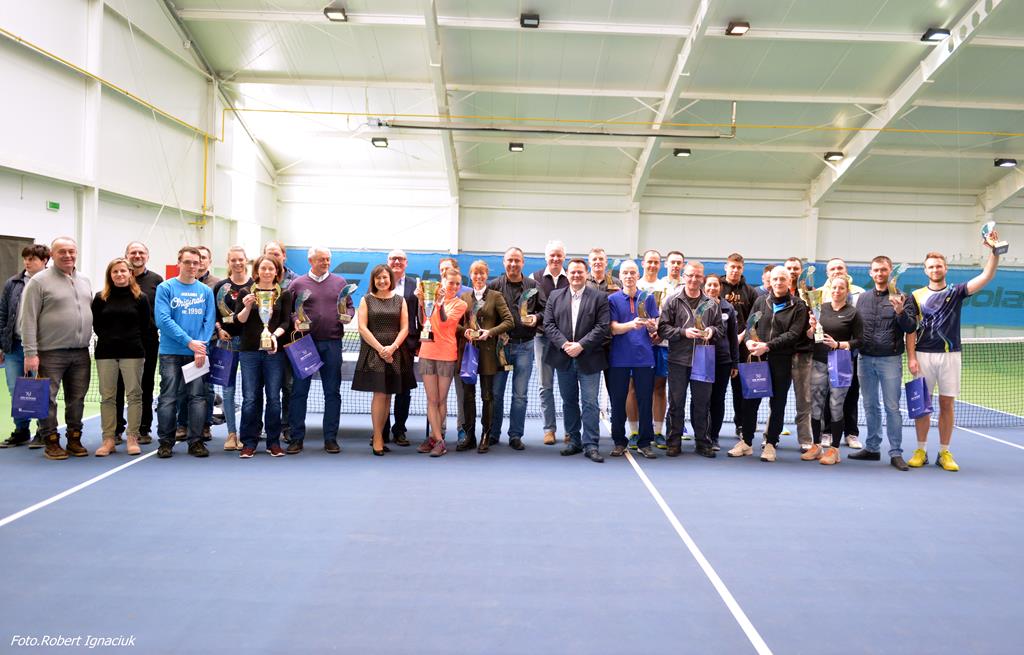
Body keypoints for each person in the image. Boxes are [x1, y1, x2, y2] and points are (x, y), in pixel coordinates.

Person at [905, 240, 1001, 472]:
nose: (935, 269)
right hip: (923, 355)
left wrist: (995, 252)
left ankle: (944, 452)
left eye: (939, 266)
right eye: (931, 266)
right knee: (922, 406)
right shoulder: (916, 296)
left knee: (947, 403)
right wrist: (911, 357)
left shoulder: (956, 292)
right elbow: (910, 330)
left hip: (951, 356)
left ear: (945, 268)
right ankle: (921, 450)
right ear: (925, 270)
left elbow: (986, 276)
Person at [18, 237, 93, 460]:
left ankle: (74, 439)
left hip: (81, 352)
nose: (67, 255)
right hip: (50, 353)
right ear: (52, 254)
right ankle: (50, 441)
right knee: (47, 399)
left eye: (71, 251)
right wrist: (30, 353)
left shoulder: (85, 280)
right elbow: (28, 320)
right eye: (62, 251)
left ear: (76, 253)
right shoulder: (38, 282)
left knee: (77, 399)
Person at [729, 266, 808, 462]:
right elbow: (750, 325)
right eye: (775, 279)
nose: (778, 282)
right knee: (750, 402)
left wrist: (768, 346)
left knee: (778, 403)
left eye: (782, 279)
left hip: (781, 360)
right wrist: (749, 341)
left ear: (789, 282)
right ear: (770, 281)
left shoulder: (798, 306)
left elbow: (793, 334)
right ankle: (746, 442)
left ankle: (771, 443)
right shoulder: (760, 301)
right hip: (757, 358)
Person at [848, 255, 916, 470]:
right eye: (876, 270)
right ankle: (872, 448)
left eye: (883, 270)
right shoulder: (862, 298)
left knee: (892, 407)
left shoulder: (904, 297)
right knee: (870, 405)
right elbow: (856, 327)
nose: (879, 273)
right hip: (865, 359)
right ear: (871, 273)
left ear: (890, 271)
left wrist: (900, 311)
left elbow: (910, 327)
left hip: (890, 359)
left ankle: (896, 452)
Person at [286, 246, 354, 454]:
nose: (326, 262)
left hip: (332, 344)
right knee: (299, 392)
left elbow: (349, 306)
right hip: (304, 344)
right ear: (310, 261)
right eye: (321, 259)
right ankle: (296, 438)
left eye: (328, 259)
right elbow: (289, 310)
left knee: (332, 392)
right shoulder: (297, 284)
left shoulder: (340, 283)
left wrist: (349, 315)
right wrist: (296, 320)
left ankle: (330, 439)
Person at [544, 258, 610, 463]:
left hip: (589, 358)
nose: (576, 275)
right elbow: (549, 324)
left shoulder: (600, 297)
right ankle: (574, 440)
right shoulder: (555, 296)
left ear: (586, 274)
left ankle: (591, 444)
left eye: (580, 272)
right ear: (568, 274)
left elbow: (602, 326)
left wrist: (581, 345)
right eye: (572, 272)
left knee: (590, 403)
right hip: (563, 358)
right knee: (569, 401)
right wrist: (565, 344)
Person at [154, 246, 215, 459]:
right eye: (187, 262)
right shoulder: (165, 288)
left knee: (197, 397)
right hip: (170, 353)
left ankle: (196, 442)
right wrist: (189, 342)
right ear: (179, 263)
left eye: (195, 263)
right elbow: (163, 320)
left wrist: (200, 347)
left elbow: (209, 322)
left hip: (197, 354)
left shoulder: (205, 291)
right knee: (168, 398)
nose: (191, 266)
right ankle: (165, 443)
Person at [658, 262, 723, 458]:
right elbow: (663, 329)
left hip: (703, 360)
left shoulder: (712, 303)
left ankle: (703, 442)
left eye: (698, 276)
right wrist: (683, 332)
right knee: (676, 403)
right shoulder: (672, 300)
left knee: (702, 403)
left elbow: (720, 329)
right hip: (678, 360)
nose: (694, 279)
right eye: (690, 275)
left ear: (702, 278)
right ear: (684, 276)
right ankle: (673, 442)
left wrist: (711, 331)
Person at [91, 258, 152, 457]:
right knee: (108, 397)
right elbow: (97, 325)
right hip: (106, 354)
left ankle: (132, 437)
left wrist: (131, 342)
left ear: (130, 273)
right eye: (115, 271)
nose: (119, 274)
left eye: (123, 271)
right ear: (110, 275)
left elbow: (145, 326)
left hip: (133, 353)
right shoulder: (100, 298)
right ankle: (108, 439)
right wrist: (111, 339)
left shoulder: (141, 298)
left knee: (134, 395)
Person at [235, 255, 292, 458]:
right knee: (250, 398)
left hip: (274, 353)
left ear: (277, 272)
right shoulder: (245, 292)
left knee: (274, 398)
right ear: (257, 271)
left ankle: (273, 442)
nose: (267, 272)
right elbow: (239, 321)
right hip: (249, 352)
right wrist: (247, 306)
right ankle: (248, 442)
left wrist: (274, 337)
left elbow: (286, 322)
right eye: (263, 268)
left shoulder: (284, 294)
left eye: (271, 269)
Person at [353, 265, 413, 455]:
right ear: (373, 280)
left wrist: (392, 348)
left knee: (388, 395)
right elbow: (362, 328)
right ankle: (378, 436)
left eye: (385, 277)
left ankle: (380, 435)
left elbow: (405, 328)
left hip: (395, 353)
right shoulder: (366, 300)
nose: (382, 281)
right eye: (378, 278)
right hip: (374, 353)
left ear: (390, 279)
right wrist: (381, 349)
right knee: (379, 394)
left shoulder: (400, 300)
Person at [803, 277, 862, 466]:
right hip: (819, 361)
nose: (837, 290)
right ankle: (816, 445)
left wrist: (838, 345)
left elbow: (860, 341)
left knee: (836, 405)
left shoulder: (853, 313)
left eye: (841, 288)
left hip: (841, 362)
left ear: (847, 290)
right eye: (834, 287)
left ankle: (834, 449)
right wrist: (812, 328)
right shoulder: (820, 309)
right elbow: (810, 336)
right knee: (816, 405)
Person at [489, 247, 544, 448]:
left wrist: (536, 318)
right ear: (504, 262)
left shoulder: (534, 286)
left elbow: (545, 310)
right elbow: (485, 314)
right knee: (496, 394)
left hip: (525, 347)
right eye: (510, 260)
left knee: (520, 395)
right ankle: (493, 433)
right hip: (500, 348)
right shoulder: (494, 286)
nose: (513, 264)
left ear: (523, 263)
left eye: (517, 260)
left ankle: (515, 436)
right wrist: (497, 331)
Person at [458, 260, 514, 453]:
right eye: (475, 273)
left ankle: (486, 436)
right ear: (470, 275)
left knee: (487, 396)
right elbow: (457, 323)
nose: (479, 277)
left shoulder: (496, 296)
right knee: (468, 395)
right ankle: (469, 436)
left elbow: (509, 321)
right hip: (469, 353)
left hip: (489, 354)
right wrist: (465, 331)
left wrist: (490, 332)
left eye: (482, 273)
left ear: (487, 274)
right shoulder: (464, 297)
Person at [606, 260, 658, 459]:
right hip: (618, 358)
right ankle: (619, 442)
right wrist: (631, 325)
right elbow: (613, 328)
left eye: (632, 272)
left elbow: (654, 327)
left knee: (645, 401)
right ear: (621, 276)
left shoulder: (648, 298)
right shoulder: (612, 299)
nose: (629, 276)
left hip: (644, 358)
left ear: (638, 275)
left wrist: (652, 326)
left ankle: (645, 443)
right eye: (625, 273)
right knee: (618, 401)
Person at [0, 244, 49, 449]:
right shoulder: (12, 283)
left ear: (44, 261)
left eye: (32, 259)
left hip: (41, 347)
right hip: (14, 346)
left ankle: (43, 431)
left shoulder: (50, 282)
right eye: (25, 259)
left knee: (40, 390)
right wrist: (2, 344)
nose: (27, 262)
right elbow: (3, 313)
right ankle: (21, 431)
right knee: (16, 390)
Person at [416, 267, 468, 457]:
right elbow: (422, 321)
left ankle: (436, 439)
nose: (454, 286)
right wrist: (421, 301)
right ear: (442, 282)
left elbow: (445, 322)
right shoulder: (429, 299)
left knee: (441, 400)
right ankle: (437, 439)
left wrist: (438, 303)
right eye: (450, 282)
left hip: (446, 355)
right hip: (427, 352)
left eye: (457, 284)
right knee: (432, 399)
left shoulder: (460, 304)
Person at [118, 241, 162, 446]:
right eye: (133, 252)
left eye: (141, 252)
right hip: (121, 342)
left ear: (147, 256)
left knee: (146, 385)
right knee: (119, 386)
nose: (137, 255)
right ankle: (117, 428)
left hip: (148, 342)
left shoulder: (156, 280)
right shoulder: (118, 278)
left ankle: (143, 428)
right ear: (126, 255)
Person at [819, 258, 866, 449]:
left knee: (851, 393)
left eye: (840, 268)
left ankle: (851, 433)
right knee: (827, 395)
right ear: (827, 273)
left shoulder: (860, 293)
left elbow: (860, 327)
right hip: (825, 356)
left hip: (850, 354)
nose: (836, 271)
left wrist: (845, 346)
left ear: (846, 271)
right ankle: (827, 432)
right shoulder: (818, 295)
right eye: (832, 268)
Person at [211, 246, 252, 450]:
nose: (237, 263)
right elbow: (213, 315)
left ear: (246, 261)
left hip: (249, 345)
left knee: (250, 392)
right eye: (233, 260)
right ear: (228, 262)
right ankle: (231, 434)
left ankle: (246, 433)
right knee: (227, 391)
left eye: (240, 259)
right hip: (226, 343)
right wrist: (219, 330)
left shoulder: (254, 285)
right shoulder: (220, 286)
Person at [531, 240, 568, 445]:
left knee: (567, 386)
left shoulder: (572, 277)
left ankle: (570, 429)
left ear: (564, 257)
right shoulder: (534, 278)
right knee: (545, 386)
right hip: (542, 338)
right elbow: (529, 308)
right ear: (546, 257)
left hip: (565, 341)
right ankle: (549, 429)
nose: (555, 258)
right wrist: (535, 318)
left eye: (559, 255)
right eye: (552, 255)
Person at [720, 253, 758, 438]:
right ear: (726, 267)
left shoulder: (750, 292)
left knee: (740, 390)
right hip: (719, 348)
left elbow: (754, 318)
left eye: (738, 267)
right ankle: (711, 428)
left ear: (742, 269)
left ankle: (741, 425)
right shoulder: (716, 287)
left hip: (742, 349)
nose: (735, 270)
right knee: (716, 390)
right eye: (732, 267)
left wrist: (742, 336)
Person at [383, 249, 419, 446]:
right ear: (387, 262)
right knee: (383, 389)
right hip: (383, 344)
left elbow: (421, 315)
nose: (397, 261)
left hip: (407, 345)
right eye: (393, 258)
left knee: (403, 390)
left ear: (406, 263)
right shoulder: (380, 283)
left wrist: (419, 341)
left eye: (401, 259)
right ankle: (381, 431)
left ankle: (399, 430)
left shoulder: (416, 285)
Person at [634, 249, 668, 448]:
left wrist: (660, 333)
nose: (653, 265)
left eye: (656, 262)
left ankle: (658, 431)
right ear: (643, 264)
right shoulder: (635, 285)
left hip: (660, 344)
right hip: (637, 345)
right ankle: (634, 431)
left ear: (660, 265)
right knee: (634, 388)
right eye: (649, 262)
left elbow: (670, 314)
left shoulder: (666, 287)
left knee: (659, 387)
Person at [703, 273, 739, 451]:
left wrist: (734, 362)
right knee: (702, 399)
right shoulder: (699, 306)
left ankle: (714, 437)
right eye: (709, 285)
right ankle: (701, 435)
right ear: (704, 287)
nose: (712, 288)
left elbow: (733, 337)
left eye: (715, 285)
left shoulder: (728, 308)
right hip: (701, 360)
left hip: (723, 361)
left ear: (720, 288)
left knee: (718, 399)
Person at [784, 256, 814, 450]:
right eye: (789, 268)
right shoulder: (778, 291)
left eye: (796, 268)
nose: (793, 271)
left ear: (801, 271)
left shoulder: (810, 293)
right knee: (777, 398)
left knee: (804, 399)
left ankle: (805, 440)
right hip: (782, 354)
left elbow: (817, 318)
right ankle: (770, 436)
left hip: (804, 354)